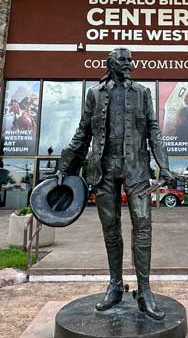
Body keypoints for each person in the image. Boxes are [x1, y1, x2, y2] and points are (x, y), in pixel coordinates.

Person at [55, 47, 175, 320]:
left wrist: (164, 165)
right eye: (123, 60)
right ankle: (116, 285)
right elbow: (83, 133)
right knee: (111, 230)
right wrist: (64, 167)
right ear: (110, 63)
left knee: (142, 226)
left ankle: (145, 291)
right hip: (103, 170)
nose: (129, 64)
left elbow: (154, 131)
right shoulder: (94, 95)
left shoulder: (142, 93)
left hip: (136, 170)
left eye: (131, 60)